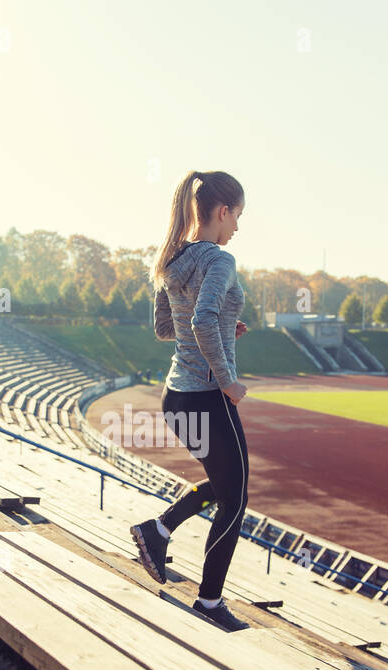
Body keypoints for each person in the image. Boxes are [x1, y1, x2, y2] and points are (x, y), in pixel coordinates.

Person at [129, 170, 251, 632]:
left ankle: (156, 532)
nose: (238, 226)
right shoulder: (220, 260)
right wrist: (228, 382)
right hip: (207, 396)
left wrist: (225, 328)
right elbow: (200, 323)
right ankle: (210, 602)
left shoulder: (173, 259)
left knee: (225, 487)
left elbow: (168, 329)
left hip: (177, 397)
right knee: (235, 499)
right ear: (222, 211)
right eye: (238, 215)